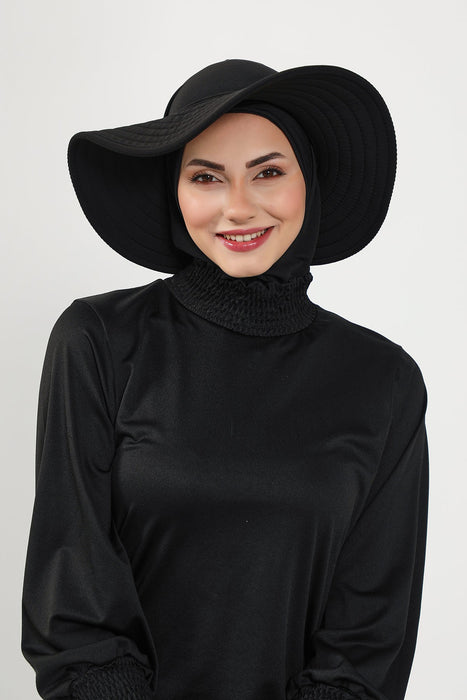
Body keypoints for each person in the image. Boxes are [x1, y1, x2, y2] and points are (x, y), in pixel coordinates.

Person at [21, 59, 429, 700]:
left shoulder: (384, 381)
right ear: (175, 193)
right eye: (206, 177)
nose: (238, 207)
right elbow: (72, 607)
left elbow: (368, 646)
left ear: (309, 183)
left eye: (268, 172)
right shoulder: (98, 341)